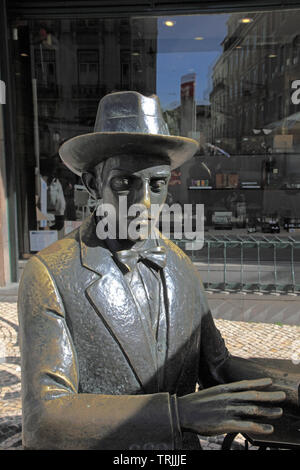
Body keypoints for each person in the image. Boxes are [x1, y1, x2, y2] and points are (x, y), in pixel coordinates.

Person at [18, 91, 295, 450]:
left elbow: (218, 366)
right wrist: (176, 414)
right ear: (92, 184)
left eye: (157, 184)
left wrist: (283, 392)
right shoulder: (50, 275)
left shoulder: (178, 263)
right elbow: (43, 420)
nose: (144, 202)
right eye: (124, 183)